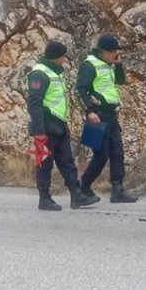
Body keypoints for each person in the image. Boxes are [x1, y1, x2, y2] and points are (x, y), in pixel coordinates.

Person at [27, 42, 99, 212]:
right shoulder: (39, 73)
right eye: (64, 56)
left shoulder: (55, 73)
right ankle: (44, 198)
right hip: (45, 125)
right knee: (44, 163)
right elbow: (34, 104)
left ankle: (76, 195)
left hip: (59, 124)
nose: (66, 59)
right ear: (57, 56)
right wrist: (39, 131)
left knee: (67, 161)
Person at [76, 34, 137, 203]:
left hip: (111, 114)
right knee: (101, 155)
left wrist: (118, 65)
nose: (115, 54)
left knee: (118, 152)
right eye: (113, 52)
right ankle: (84, 185)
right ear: (103, 51)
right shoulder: (89, 65)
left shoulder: (109, 64)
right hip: (97, 115)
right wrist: (89, 111)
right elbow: (80, 90)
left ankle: (117, 189)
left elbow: (120, 81)